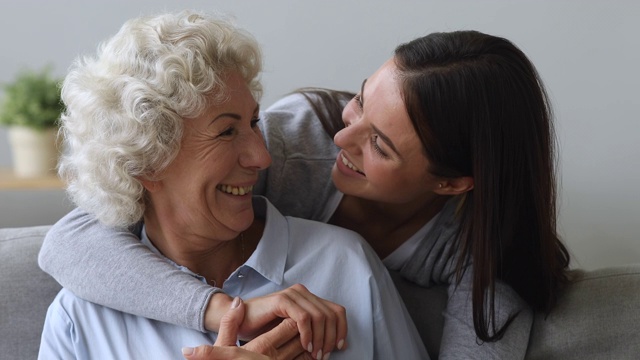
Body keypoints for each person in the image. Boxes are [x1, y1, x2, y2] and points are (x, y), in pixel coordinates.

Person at [39, 28, 571, 359]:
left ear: (452, 183)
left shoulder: (475, 254)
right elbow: (72, 240)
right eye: (360, 102)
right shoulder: (293, 141)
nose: (342, 138)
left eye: (380, 145)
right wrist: (227, 312)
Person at [37, 10, 428, 360]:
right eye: (226, 132)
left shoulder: (346, 265)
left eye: (253, 122)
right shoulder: (81, 317)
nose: (262, 156)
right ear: (146, 163)